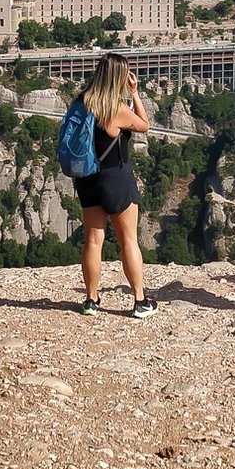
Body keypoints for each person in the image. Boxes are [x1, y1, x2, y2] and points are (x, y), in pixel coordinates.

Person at [72, 52, 157, 318]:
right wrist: (135, 94)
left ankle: (91, 300)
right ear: (119, 77)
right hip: (115, 178)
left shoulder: (81, 101)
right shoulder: (115, 109)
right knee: (128, 240)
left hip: (86, 177)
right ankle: (140, 301)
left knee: (93, 240)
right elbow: (144, 125)